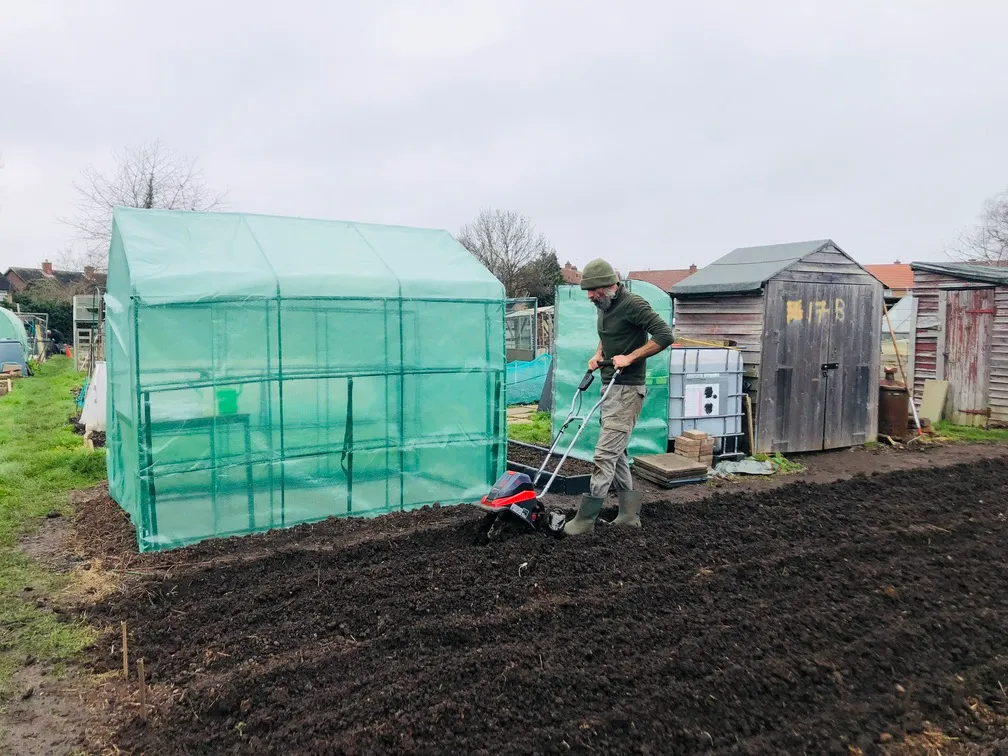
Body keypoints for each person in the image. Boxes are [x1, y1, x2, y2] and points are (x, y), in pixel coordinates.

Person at [563, 258, 674, 535]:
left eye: (592, 290)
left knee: (604, 455)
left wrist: (631, 357)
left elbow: (664, 335)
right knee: (618, 452)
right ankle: (628, 515)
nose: (589, 296)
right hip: (609, 386)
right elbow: (608, 334)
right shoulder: (605, 306)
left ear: (607, 285)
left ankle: (585, 520)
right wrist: (598, 354)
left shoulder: (633, 304)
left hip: (627, 390)